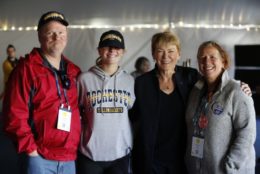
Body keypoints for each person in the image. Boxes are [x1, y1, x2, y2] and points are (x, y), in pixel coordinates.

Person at [130, 31, 252, 174]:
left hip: (182, 158)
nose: (166, 56)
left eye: (171, 51)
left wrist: (239, 84)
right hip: (151, 158)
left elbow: (214, 79)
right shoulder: (141, 83)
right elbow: (133, 117)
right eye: (160, 51)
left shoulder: (190, 77)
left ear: (179, 54)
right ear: (153, 54)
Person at [3, 11, 81, 174]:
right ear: (40, 36)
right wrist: (31, 150)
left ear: (66, 35)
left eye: (60, 32)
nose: (56, 37)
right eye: (50, 33)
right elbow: (14, 115)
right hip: (39, 159)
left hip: (69, 157)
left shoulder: (74, 71)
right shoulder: (26, 69)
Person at [185, 41, 256, 174]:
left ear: (223, 61)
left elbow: (247, 134)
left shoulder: (237, 91)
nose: (207, 62)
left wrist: (230, 166)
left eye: (212, 57)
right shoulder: (195, 91)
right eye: (202, 58)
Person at [77, 30, 135, 174]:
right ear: (99, 50)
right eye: (107, 46)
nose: (112, 50)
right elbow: (75, 113)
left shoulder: (129, 81)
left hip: (120, 154)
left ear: (123, 51)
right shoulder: (84, 79)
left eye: (117, 47)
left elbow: (133, 114)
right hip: (90, 154)